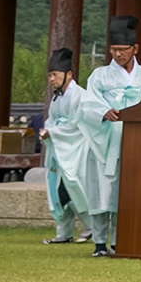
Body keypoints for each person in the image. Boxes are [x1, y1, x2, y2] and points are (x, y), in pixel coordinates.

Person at [83, 16, 141, 257]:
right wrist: (102, 111)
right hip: (105, 142)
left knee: (125, 193)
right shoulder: (99, 76)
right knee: (101, 191)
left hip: (134, 142)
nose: (117, 54)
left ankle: (120, 242)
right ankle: (99, 243)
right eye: (114, 50)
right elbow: (87, 105)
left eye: (122, 49)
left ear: (135, 49)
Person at [39, 48, 95, 245]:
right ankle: (64, 232)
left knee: (71, 185)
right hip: (60, 148)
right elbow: (51, 120)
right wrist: (46, 131)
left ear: (69, 74)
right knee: (56, 188)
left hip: (77, 148)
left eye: (55, 74)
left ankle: (90, 226)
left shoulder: (78, 95)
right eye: (50, 75)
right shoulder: (57, 97)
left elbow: (76, 126)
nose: (52, 79)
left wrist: (52, 133)